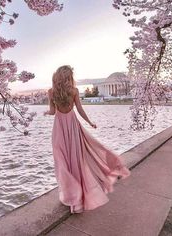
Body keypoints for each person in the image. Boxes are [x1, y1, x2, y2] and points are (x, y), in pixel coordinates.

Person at [44, 65, 130, 213]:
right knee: (76, 158)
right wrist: (90, 122)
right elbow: (79, 109)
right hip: (72, 127)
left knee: (62, 160)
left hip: (59, 130)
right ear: (69, 77)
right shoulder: (74, 91)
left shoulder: (51, 92)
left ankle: (71, 194)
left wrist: (46, 112)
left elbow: (52, 112)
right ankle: (77, 191)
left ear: (57, 76)